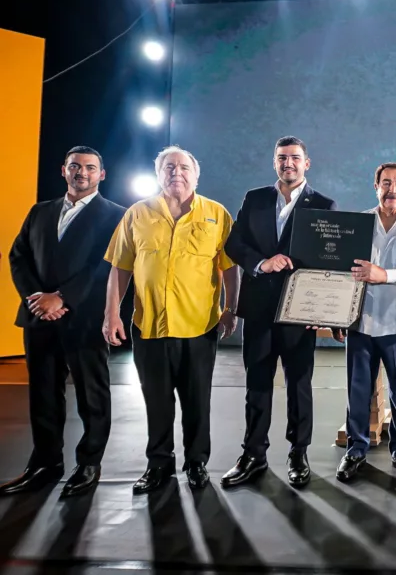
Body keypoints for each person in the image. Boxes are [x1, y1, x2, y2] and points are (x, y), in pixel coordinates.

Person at [103, 146, 239, 494]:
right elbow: (120, 267)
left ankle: (196, 463)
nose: (176, 172)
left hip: (199, 327)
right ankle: (158, 464)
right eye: (168, 167)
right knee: (157, 401)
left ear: (196, 175)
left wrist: (231, 308)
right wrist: (111, 314)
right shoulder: (137, 213)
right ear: (158, 174)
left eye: (183, 167)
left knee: (197, 401)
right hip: (149, 325)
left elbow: (229, 267)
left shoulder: (217, 214)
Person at [1, 147, 125, 498]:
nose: (81, 172)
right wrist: (37, 298)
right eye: (74, 166)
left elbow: (108, 266)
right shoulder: (40, 211)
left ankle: (89, 464)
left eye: (89, 167)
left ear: (102, 174)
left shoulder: (117, 215)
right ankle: (45, 463)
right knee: (43, 393)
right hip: (39, 316)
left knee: (92, 395)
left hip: (84, 319)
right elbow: (18, 256)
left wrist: (62, 298)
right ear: (63, 170)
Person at [220, 136, 337, 489]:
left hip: (300, 311)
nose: (288, 163)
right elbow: (234, 243)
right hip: (258, 308)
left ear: (306, 163)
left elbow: (329, 260)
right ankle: (253, 454)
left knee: (299, 385)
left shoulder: (324, 205)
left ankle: (298, 453)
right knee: (257, 383)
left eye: (295, 158)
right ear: (274, 162)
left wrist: (325, 310)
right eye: (282, 158)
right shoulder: (254, 198)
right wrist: (261, 263)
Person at [335, 162, 396, 483]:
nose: (392, 190)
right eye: (386, 183)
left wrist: (384, 275)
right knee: (358, 392)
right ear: (376, 187)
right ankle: (356, 449)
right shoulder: (359, 223)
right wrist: (336, 313)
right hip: (361, 322)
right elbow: (342, 269)